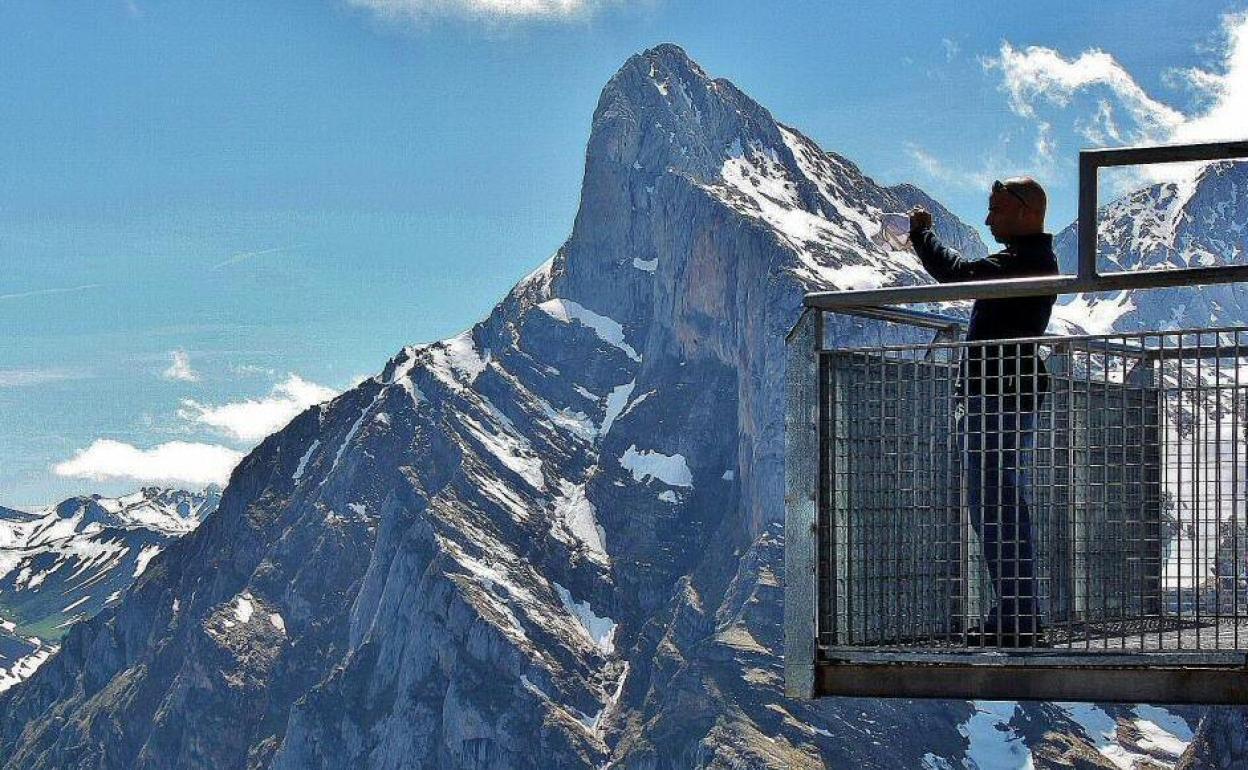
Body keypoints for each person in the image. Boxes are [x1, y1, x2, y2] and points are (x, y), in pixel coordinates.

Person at [908, 177, 1059, 648]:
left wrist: (921, 234)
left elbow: (958, 276)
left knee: (996, 509)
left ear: (1024, 211)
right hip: (1004, 396)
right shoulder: (1030, 260)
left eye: (995, 209)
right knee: (1000, 507)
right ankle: (1015, 612)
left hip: (996, 399)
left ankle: (1016, 617)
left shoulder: (1022, 261)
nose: (988, 218)